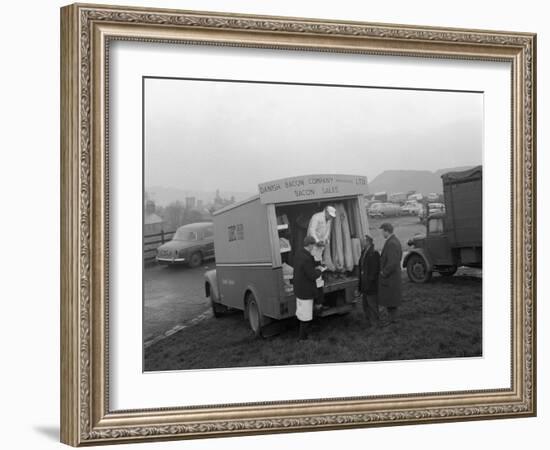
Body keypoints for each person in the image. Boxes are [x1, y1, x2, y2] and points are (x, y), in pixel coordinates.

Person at [293, 235, 327, 340]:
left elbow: (305, 270)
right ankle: (303, 338)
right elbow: (312, 275)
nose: (314, 247)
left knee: (302, 314)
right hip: (306, 291)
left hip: (299, 289)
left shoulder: (299, 254)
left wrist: (313, 268)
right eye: (313, 245)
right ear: (310, 245)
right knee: (306, 316)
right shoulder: (306, 258)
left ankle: (303, 335)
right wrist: (320, 270)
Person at [378, 222, 403, 324]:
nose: (381, 234)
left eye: (382, 231)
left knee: (391, 299)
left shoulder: (392, 243)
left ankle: (392, 319)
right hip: (392, 276)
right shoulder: (393, 241)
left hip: (391, 277)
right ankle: (392, 319)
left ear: (386, 231)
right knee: (391, 299)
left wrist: (384, 272)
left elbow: (393, 262)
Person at [358, 234, 382, 327]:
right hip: (364, 283)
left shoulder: (374, 253)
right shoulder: (364, 251)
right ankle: (368, 321)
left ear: (368, 241)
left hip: (370, 284)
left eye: (364, 240)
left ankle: (375, 323)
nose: (362, 241)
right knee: (365, 305)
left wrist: (370, 281)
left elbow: (375, 270)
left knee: (372, 304)